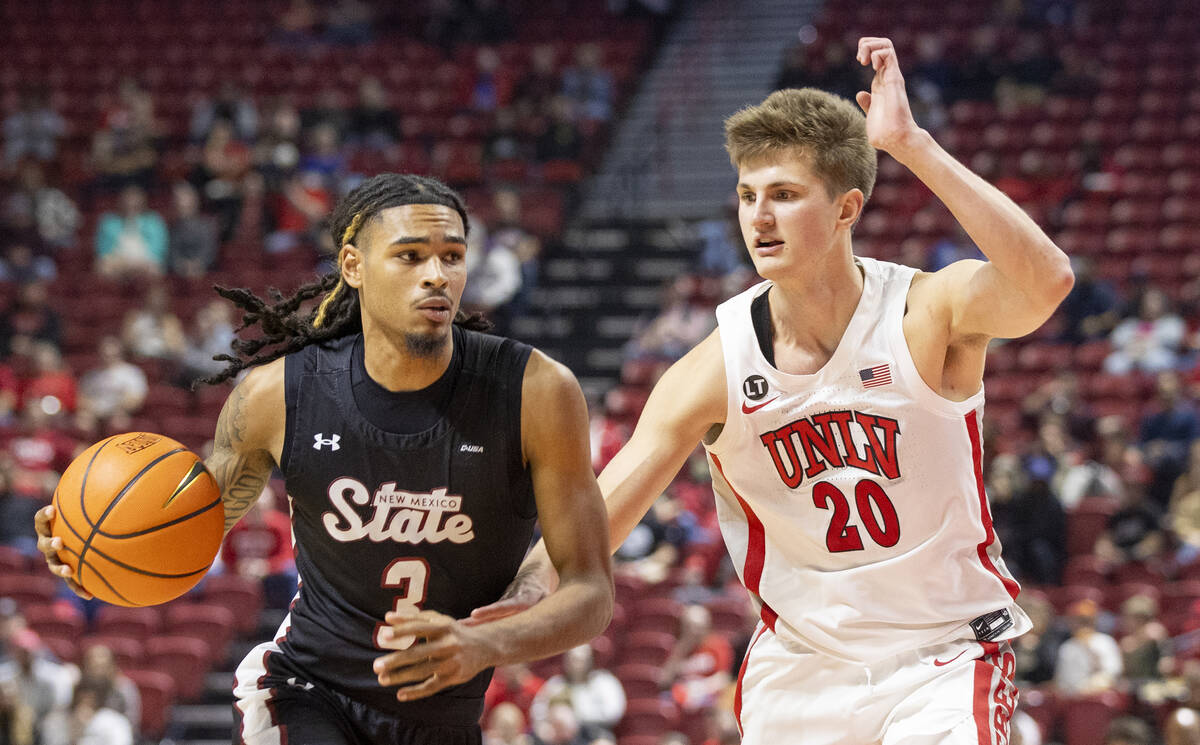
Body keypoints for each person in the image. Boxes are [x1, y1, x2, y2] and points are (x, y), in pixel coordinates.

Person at [477, 38, 1074, 745]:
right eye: (747, 195)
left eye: (785, 196)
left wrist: (911, 146)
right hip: (801, 669)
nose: (758, 216)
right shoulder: (715, 365)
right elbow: (603, 508)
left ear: (847, 207)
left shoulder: (926, 312)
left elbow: (1046, 284)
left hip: (940, 655)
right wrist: (522, 591)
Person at [35, 173, 613, 745]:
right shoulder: (276, 395)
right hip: (307, 687)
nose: (437, 275)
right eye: (409, 256)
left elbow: (590, 592)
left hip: (444, 714)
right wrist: (99, 558)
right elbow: (185, 530)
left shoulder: (537, 392)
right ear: (354, 266)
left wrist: (491, 644)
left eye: (452, 256)